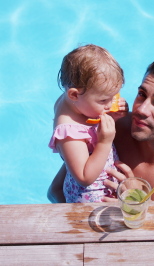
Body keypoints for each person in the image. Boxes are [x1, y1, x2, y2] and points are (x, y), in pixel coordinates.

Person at [47, 57, 154, 203]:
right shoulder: (111, 129)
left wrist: (141, 211)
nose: (141, 109)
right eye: (142, 94)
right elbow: (56, 192)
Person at [48, 44, 125, 203]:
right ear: (75, 95)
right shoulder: (69, 132)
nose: (111, 104)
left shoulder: (74, 103)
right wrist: (104, 142)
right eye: (104, 100)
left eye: (113, 96)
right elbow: (84, 177)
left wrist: (113, 112)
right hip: (91, 199)